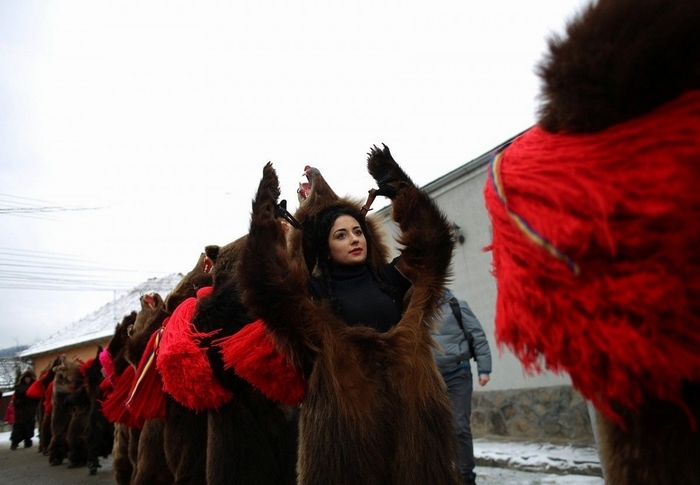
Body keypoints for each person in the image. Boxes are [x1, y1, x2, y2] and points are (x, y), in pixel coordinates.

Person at [432, 289, 492, 485]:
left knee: (459, 427)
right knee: (436, 430)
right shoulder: (415, 309)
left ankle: (466, 476)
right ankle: (444, 473)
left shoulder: (456, 305)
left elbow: (478, 336)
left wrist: (484, 369)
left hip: (459, 373)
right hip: (431, 379)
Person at [10, 370, 40, 450]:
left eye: (29, 378)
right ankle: (15, 443)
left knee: (29, 426)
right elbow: (16, 400)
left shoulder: (34, 386)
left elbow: (37, 397)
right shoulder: (20, 387)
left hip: (30, 410)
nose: (27, 380)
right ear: (23, 379)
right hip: (21, 410)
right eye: (26, 378)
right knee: (18, 426)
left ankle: (27, 441)